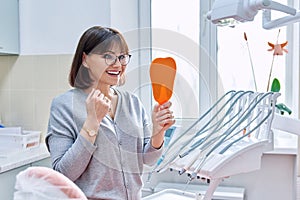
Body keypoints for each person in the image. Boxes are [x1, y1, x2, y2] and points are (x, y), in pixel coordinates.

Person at [45, 26, 175, 200]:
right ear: (85, 59)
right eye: (108, 56)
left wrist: (158, 133)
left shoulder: (132, 102)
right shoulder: (64, 106)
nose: (118, 64)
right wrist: (92, 122)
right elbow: (63, 174)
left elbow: (147, 160)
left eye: (122, 57)